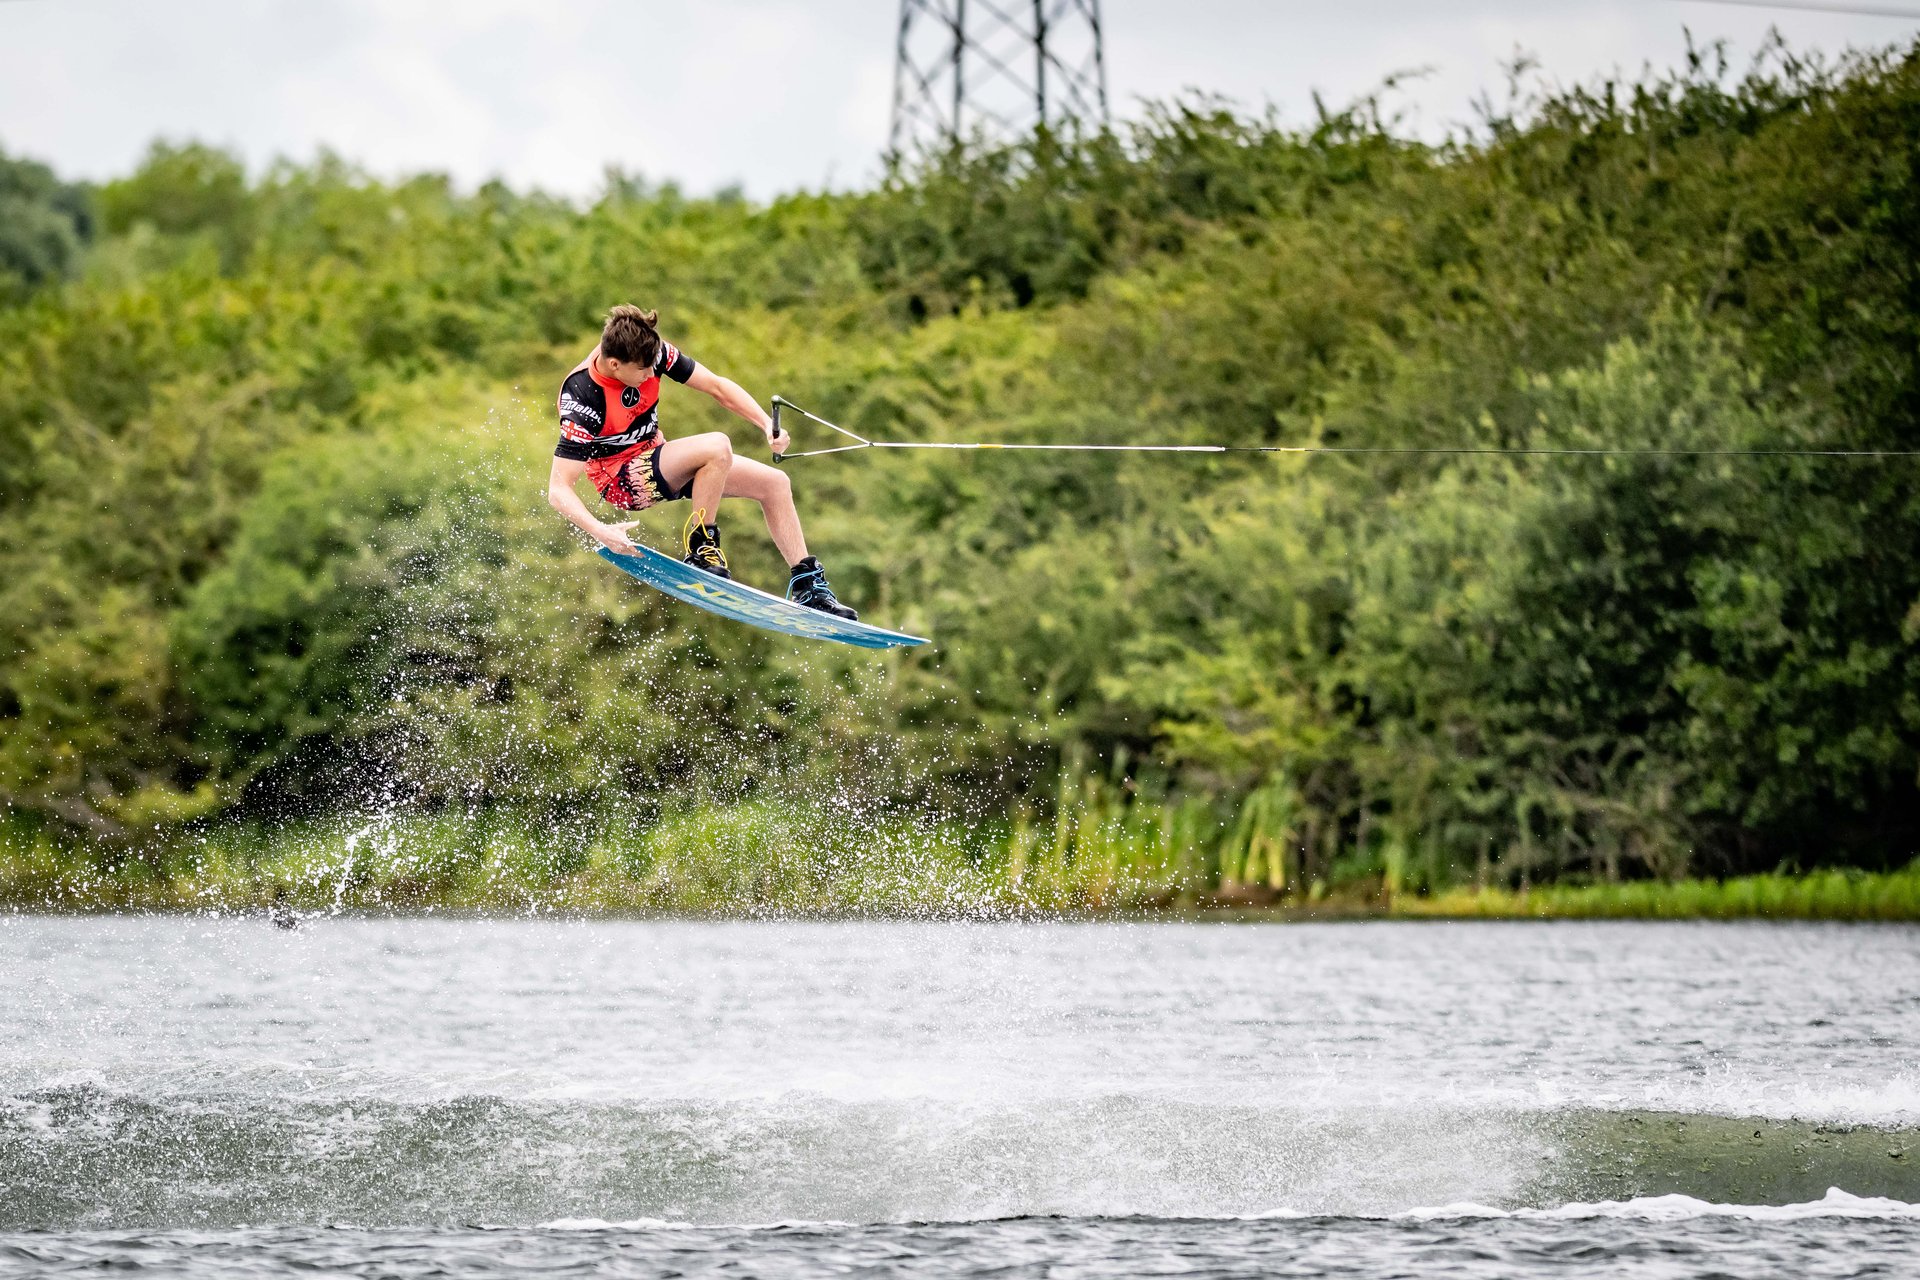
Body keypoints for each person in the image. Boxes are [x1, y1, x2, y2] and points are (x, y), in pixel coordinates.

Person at [546, 304, 857, 620]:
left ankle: (808, 587)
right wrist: (600, 531)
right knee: (717, 446)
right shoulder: (582, 397)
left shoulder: (651, 353)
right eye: (643, 371)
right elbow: (558, 489)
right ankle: (701, 548)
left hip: (659, 458)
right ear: (614, 364)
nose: (652, 374)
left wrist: (765, 424)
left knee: (775, 484)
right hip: (622, 480)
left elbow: (718, 387)